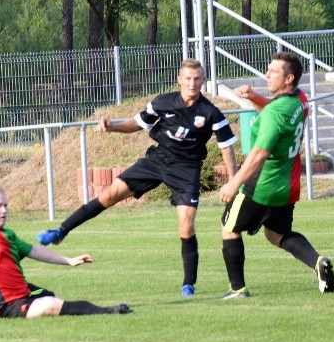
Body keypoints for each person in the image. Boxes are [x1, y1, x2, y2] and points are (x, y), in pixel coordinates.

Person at [37, 58, 238, 297]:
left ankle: (188, 285)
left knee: (186, 225)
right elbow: (137, 123)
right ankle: (61, 230)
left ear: (203, 80)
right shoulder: (163, 102)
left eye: (196, 79)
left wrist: (233, 182)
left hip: (187, 169)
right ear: (179, 80)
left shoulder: (211, 112)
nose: (192, 83)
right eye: (187, 78)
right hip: (157, 160)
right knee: (109, 194)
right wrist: (112, 127)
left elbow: (227, 147)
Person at [217, 52, 334, 299]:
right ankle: (318, 262)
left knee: (229, 226)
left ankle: (237, 289)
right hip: (287, 184)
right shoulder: (300, 99)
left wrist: (234, 183)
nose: (267, 74)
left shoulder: (275, 114)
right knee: (275, 234)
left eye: (274, 71)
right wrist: (253, 97)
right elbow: (277, 112)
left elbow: (259, 153)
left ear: (289, 78)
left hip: (262, 184)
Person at [0, 185, 131, 319]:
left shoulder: (7, 235)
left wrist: (69, 260)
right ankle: (109, 311)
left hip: (25, 293)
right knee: (50, 305)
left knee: (48, 295)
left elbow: (36, 251)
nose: (4, 210)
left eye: (5, 205)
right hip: (6, 305)